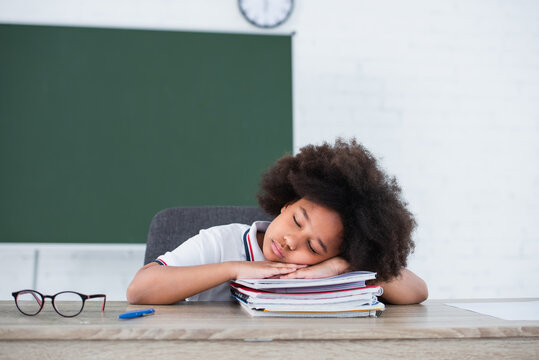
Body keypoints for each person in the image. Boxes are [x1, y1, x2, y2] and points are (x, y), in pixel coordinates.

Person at [127, 139, 428, 305]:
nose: (291, 241)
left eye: (313, 246)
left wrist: (345, 265)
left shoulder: (334, 267)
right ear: (285, 204)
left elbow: (417, 292)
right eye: (297, 221)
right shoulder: (221, 242)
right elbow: (139, 290)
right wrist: (234, 268)